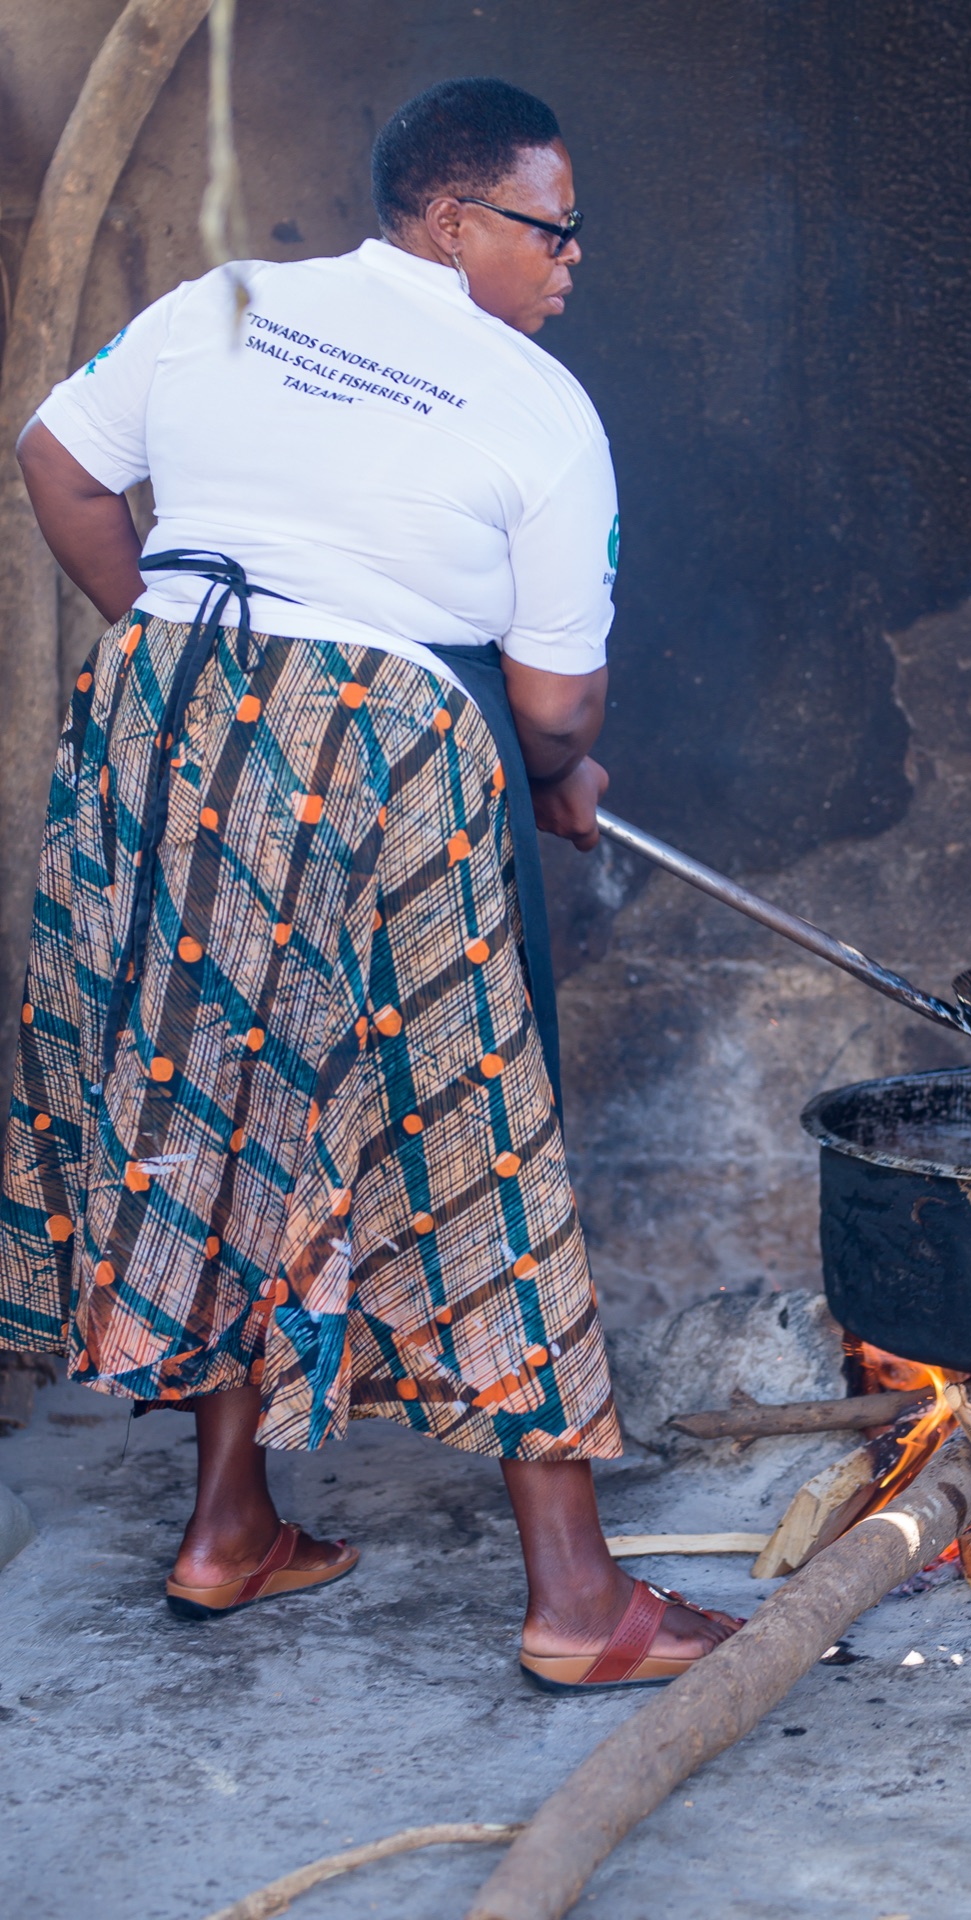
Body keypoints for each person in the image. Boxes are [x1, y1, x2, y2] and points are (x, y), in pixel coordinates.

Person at [0, 77, 738, 1688]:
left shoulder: (224, 305)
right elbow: (554, 700)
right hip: (393, 747)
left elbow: (54, 463)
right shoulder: (537, 405)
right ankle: (575, 1603)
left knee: (214, 1101)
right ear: (457, 219)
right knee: (473, 1125)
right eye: (554, 228)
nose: (573, 260)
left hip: (163, 718)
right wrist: (556, 780)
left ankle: (227, 1530)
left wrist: (189, 652)